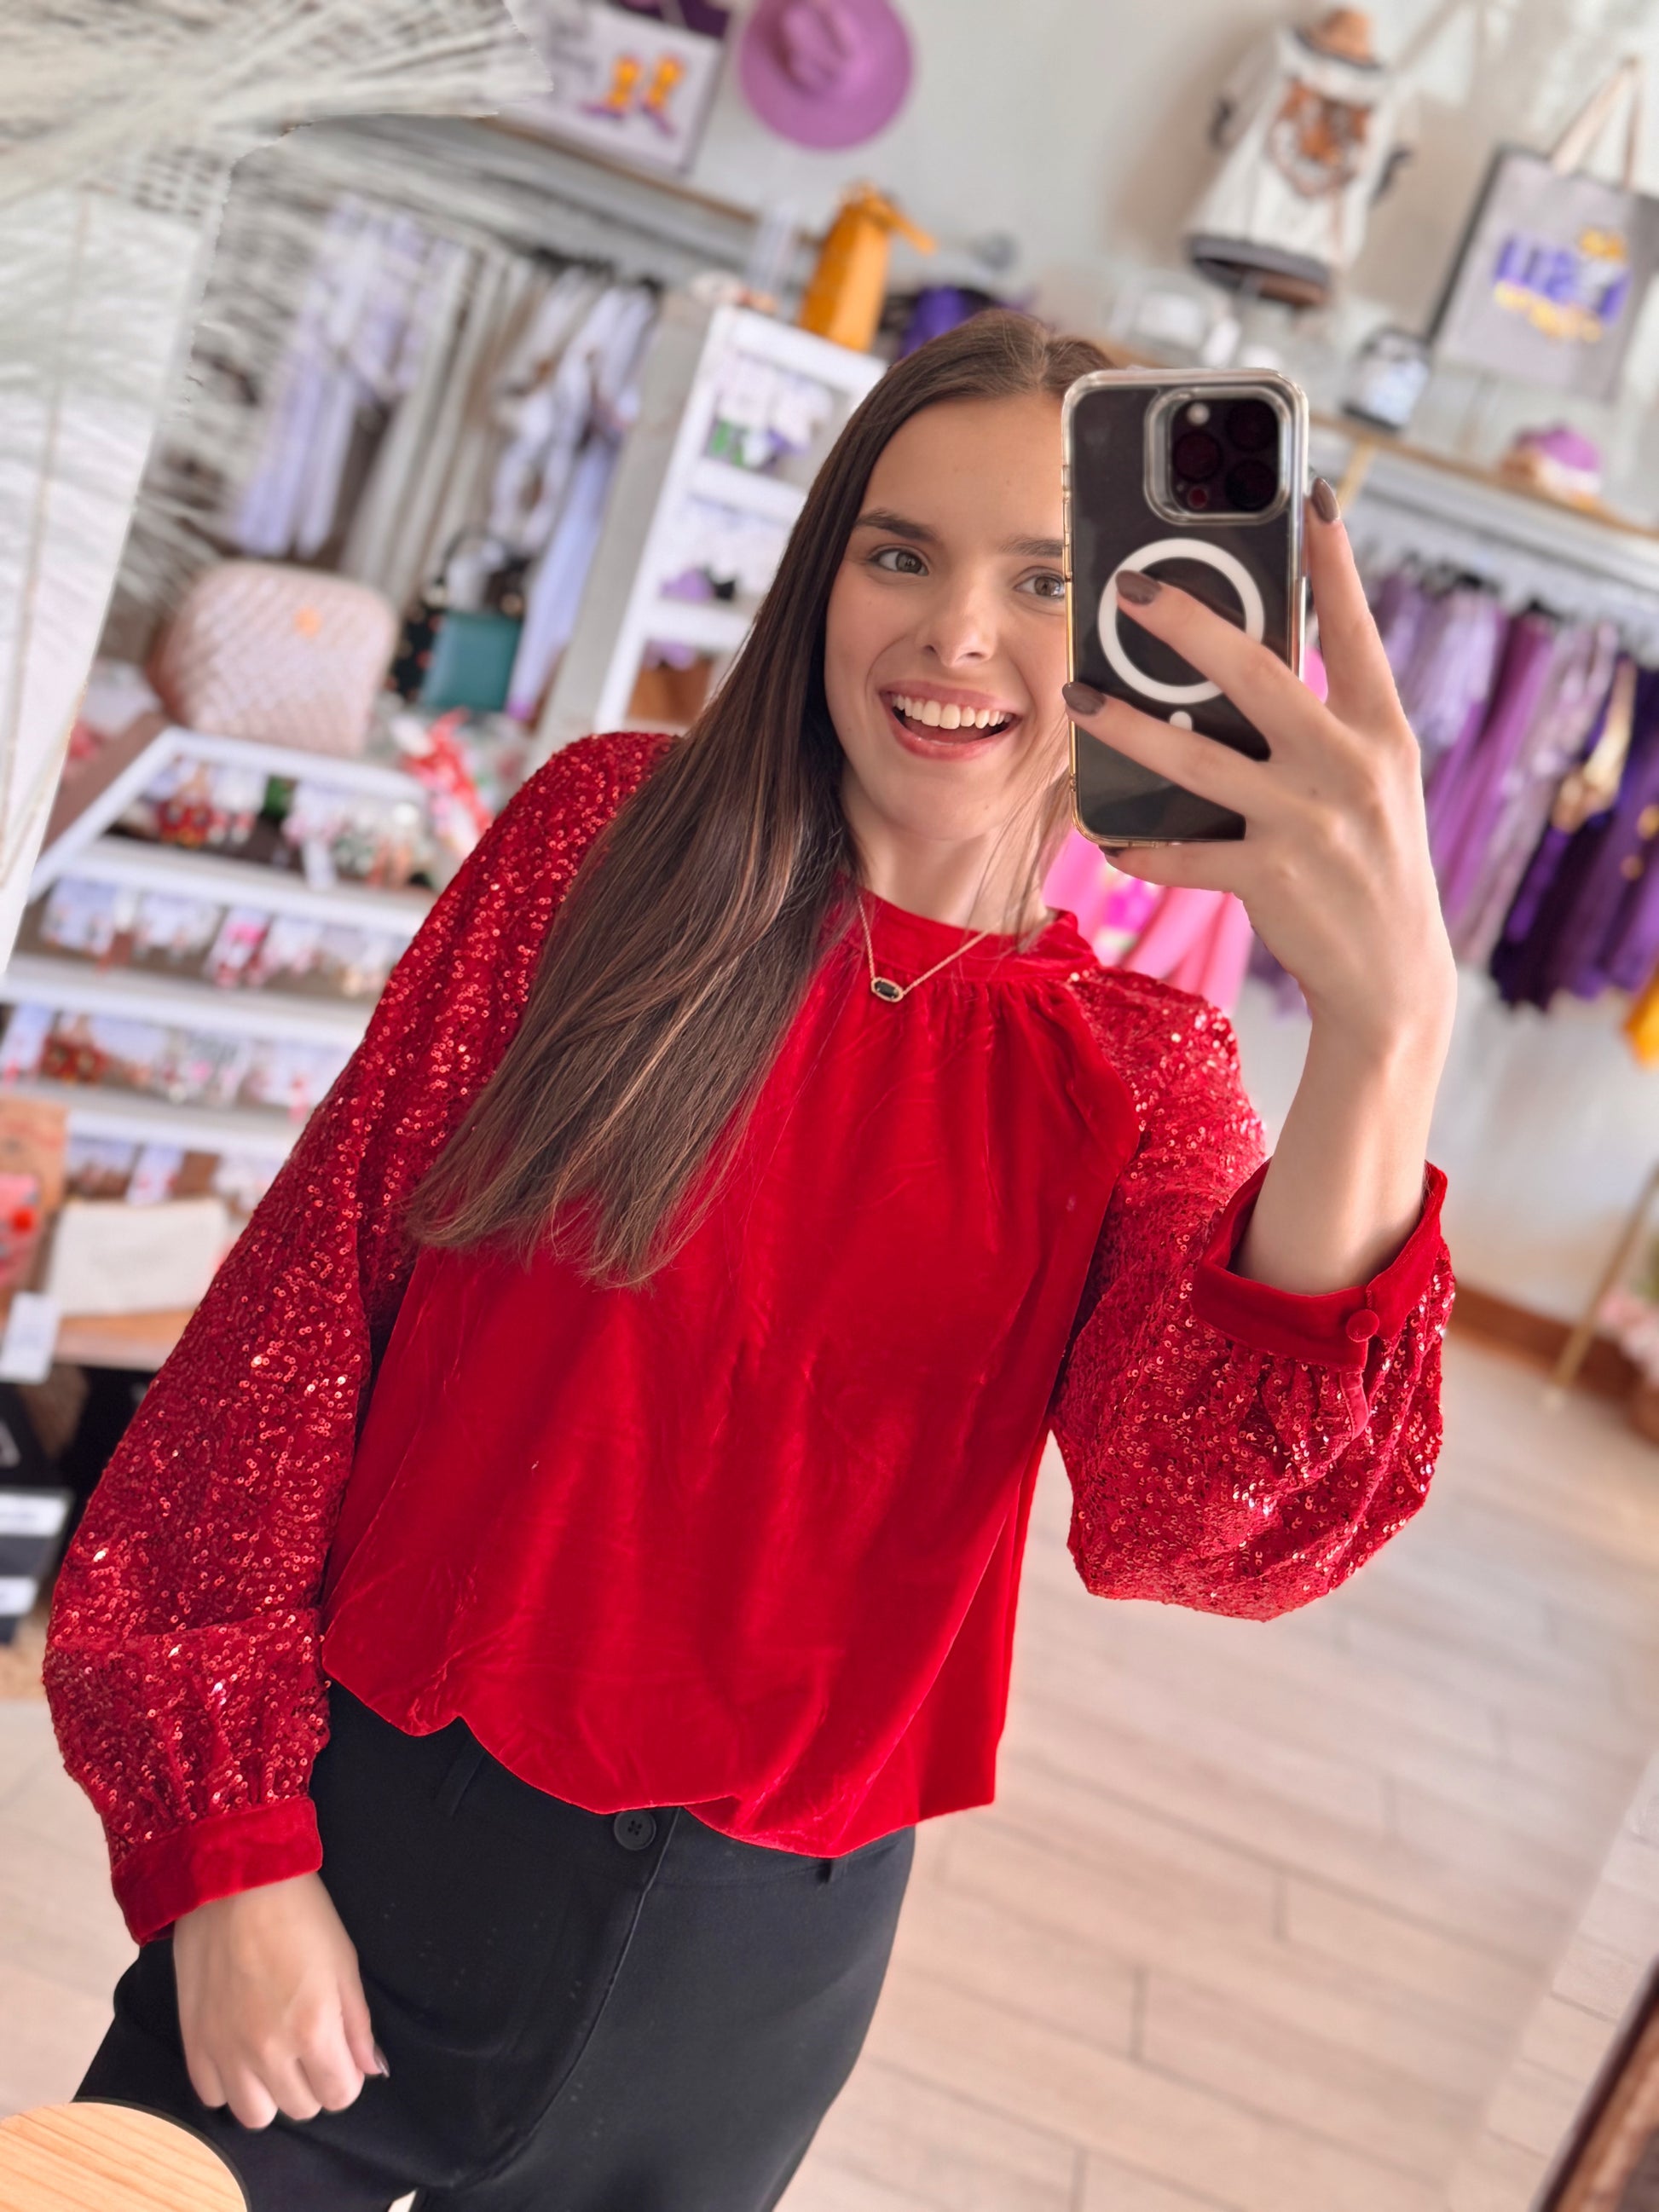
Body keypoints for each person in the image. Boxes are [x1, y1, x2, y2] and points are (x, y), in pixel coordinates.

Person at [44, 311, 1455, 2212]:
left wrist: (1384, 1032)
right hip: (359, 1840)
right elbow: (295, 1324)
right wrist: (228, 1843)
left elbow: (1191, 1528)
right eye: (900, 553)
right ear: (819, 577)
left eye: (1047, 582)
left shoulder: (1139, 1080)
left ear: (1159, 641)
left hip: (741, 1975)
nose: (956, 634)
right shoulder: (598, 853)